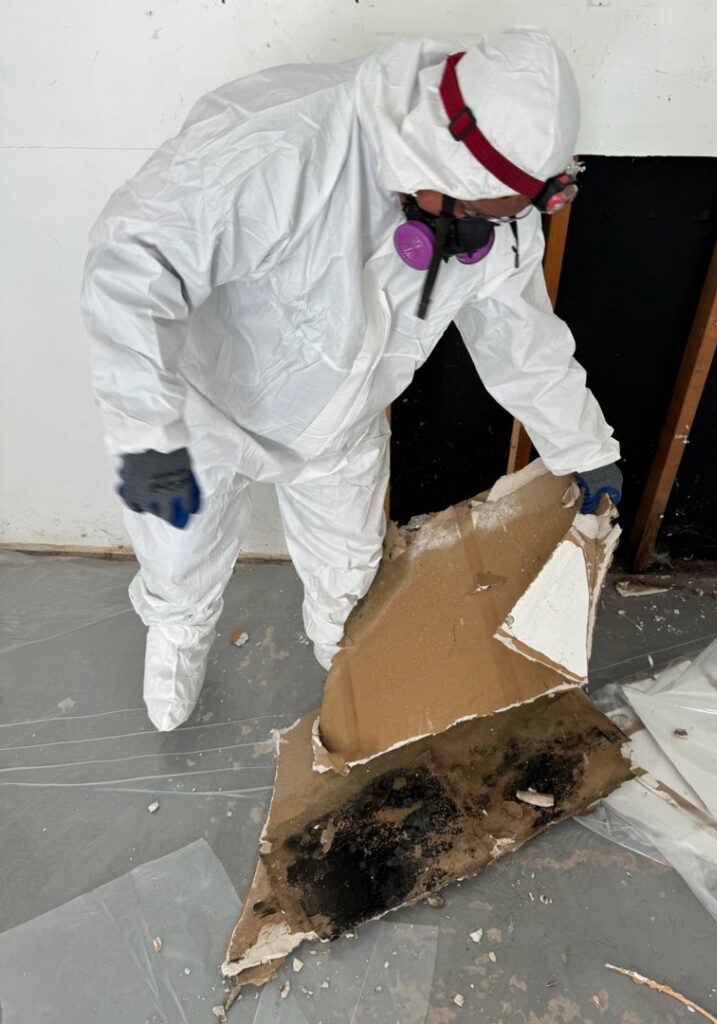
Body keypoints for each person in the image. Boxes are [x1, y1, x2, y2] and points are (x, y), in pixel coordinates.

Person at [82, 30, 622, 732]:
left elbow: (520, 338)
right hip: (206, 406)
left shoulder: (502, 215)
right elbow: (132, 268)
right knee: (179, 552)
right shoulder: (283, 142)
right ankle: (179, 630)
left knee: (352, 580)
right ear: (440, 168)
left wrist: (585, 447)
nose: (484, 236)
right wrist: (146, 431)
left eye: (503, 216)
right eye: (476, 215)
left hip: (343, 424)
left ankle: (353, 673)